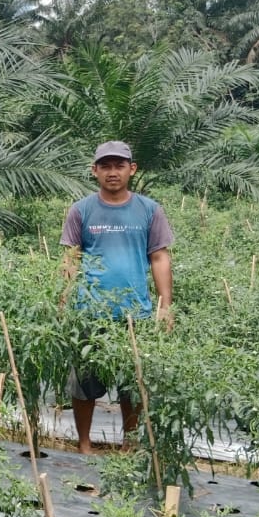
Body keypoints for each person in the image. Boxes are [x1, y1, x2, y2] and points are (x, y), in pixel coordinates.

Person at [59, 140, 174, 454]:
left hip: (133, 313)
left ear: (131, 169)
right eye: (105, 166)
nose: (113, 172)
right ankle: (84, 445)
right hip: (88, 312)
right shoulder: (81, 210)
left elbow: (160, 258)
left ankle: (130, 444)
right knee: (85, 385)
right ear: (94, 170)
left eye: (119, 165)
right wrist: (65, 300)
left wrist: (165, 306)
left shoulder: (149, 210)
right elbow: (71, 258)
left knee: (132, 385)